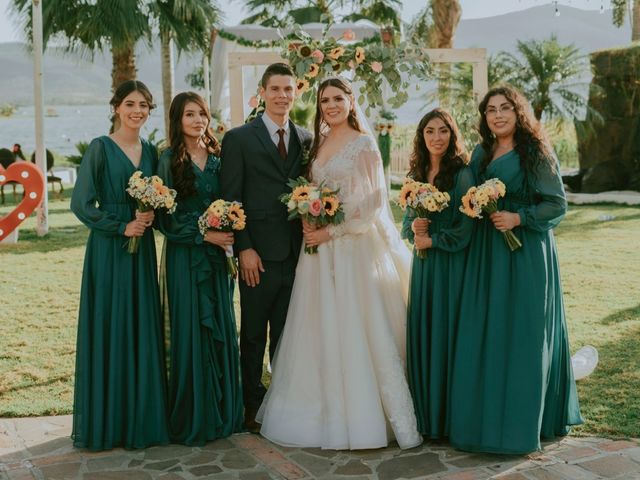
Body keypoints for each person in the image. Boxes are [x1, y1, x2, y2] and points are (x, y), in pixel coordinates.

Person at [257, 77, 422, 450]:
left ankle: (367, 416)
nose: (330, 105)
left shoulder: (364, 145)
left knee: (355, 325)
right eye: (324, 100)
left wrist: (330, 233)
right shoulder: (317, 143)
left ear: (351, 100)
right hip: (317, 254)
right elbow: (310, 192)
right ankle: (318, 411)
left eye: (337, 98)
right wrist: (307, 216)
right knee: (318, 327)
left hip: (352, 250)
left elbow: (374, 206)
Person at [449, 85, 583, 454]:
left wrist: (519, 216)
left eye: (505, 108)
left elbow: (556, 204)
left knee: (522, 333)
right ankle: (483, 423)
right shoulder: (481, 153)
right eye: (490, 110)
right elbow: (466, 193)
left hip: (524, 251)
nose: (497, 115)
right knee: (486, 330)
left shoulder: (535, 151)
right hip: (488, 252)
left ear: (518, 111)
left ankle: (522, 425)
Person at [70, 80, 169, 450]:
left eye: (144, 104)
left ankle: (138, 421)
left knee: (140, 325)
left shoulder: (151, 152)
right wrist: (120, 225)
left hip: (140, 250)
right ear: (116, 107)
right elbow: (81, 204)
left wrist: (149, 214)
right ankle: (108, 422)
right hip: (109, 251)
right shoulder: (100, 148)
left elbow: (161, 201)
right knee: (110, 325)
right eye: (130, 103)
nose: (137, 110)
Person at [220, 63, 313, 433]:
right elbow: (231, 196)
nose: (281, 96)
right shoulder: (239, 138)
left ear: (296, 93)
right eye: (274, 89)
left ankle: (284, 403)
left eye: (288, 89)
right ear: (262, 92)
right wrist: (244, 248)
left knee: (289, 334)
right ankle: (251, 405)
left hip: (298, 255)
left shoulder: (307, 139)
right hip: (256, 254)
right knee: (254, 333)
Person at [156, 92, 244, 445]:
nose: (197, 120)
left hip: (219, 257)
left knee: (221, 326)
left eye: (202, 114)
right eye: (189, 114)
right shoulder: (167, 160)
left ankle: (223, 412)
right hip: (185, 256)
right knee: (190, 330)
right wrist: (204, 232)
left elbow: (234, 201)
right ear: (177, 120)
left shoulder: (220, 158)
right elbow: (165, 218)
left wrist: (227, 228)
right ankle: (195, 415)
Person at [401, 108, 475, 440]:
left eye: (443, 130)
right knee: (425, 330)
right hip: (424, 266)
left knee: (447, 332)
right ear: (421, 136)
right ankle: (426, 414)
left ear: (452, 134)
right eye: (430, 131)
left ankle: (448, 418)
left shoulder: (461, 174)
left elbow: (465, 228)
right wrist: (414, 227)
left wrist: (433, 239)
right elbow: (405, 224)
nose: (436, 137)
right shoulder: (415, 175)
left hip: (449, 265)